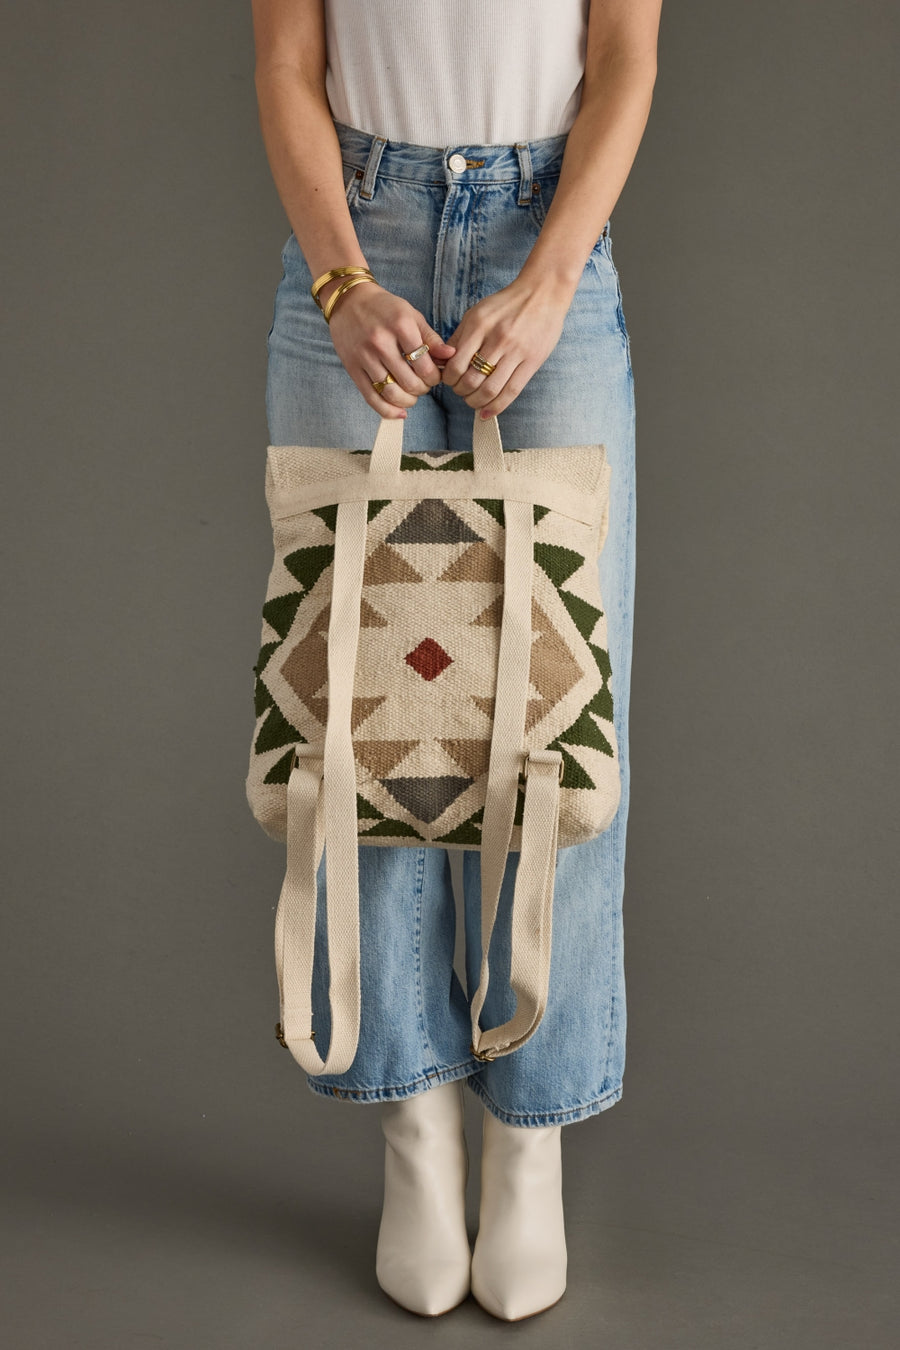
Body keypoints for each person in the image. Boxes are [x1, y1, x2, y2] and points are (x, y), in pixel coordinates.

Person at [251, 0, 662, 1321]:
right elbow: (288, 60)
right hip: (354, 234)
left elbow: (625, 57)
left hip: (549, 241)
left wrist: (551, 278)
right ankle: (413, 1126)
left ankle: (532, 1137)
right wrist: (341, 280)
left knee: (562, 720)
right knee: (365, 718)